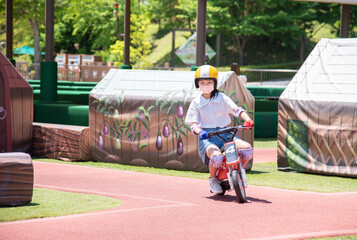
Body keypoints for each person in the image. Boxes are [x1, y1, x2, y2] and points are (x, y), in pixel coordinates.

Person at [185, 65, 254, 194]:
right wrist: (201, 132)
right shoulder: (196, 102)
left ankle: (238, 173)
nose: (206, 85)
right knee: (216, 157)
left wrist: (247, 119)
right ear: (197, 84)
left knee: (247, 150)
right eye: (202, 82)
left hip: (226, 134)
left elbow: (237, 110)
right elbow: (193, 125)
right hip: (208, 137)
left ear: (215, 83)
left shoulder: (222, 98)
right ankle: (212, 179)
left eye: (209, 82)